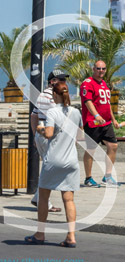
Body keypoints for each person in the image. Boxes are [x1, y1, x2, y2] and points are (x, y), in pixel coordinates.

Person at [26, 74, 81, 247]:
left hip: (54, 159)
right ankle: (71, 236)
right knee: (69, 199)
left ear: (54, 95)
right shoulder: (76, 112)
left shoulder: (52, 112)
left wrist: (41, 130)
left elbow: (49, 134)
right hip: (71, 160)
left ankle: (40, 233)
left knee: (43, 196)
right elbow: (79, 135)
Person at [30, 69, 68, 212]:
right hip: (49, 135)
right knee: (50, 169)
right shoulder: (52, 97)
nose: (64, 82)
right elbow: (59, 118)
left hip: (42, 133)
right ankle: (43, 201)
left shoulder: (42, 95)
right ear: (52, 82)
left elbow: (34, 116)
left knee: (48, 167)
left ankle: (38, 197)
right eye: (61, 80)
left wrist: (35, 135)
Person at [80, 60, 118, 187]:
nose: (101, 71)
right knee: (91, 150)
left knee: (113, 146)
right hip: (93, 122)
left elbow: (106, 104)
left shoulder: (104, 84)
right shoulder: (87, 83)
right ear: (93, 69)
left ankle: (107, 176)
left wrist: (113, 119)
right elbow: (88, 101)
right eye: (98, 68)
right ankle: (88, 178)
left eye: (103, 68)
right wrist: (96, 115)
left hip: (106, 122)